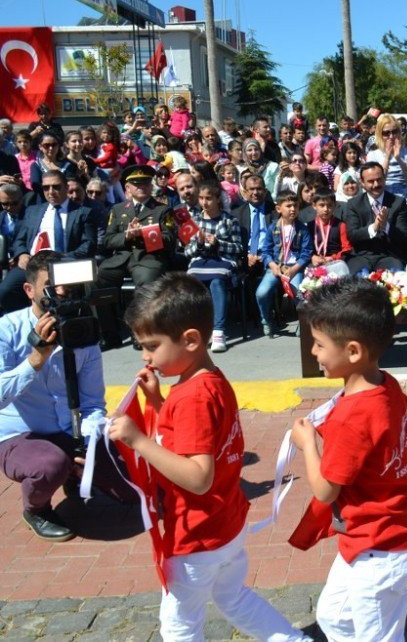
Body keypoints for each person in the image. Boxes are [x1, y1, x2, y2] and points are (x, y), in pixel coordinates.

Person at [108, 273, 310, 641]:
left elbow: (199, 476)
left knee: (179, 625)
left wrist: (138, 440)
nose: (144, 356)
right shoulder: (209, 380)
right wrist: (157, 404)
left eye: (151, 346)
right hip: (226, 524)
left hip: (197, 534)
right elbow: (194, 438)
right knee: (232, 597)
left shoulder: (192, 398)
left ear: (190, 340)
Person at [289, 278, 407, 640]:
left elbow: (326, 490)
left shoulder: (353, 416)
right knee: (333, 618)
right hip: (368, 539)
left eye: (318, 344)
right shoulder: (385, 384)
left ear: (353, 352)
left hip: (380, 543)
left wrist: (308, 444)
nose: (313, 352)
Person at [0, 251, 137, 541]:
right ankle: (36, 509)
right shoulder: (6, 330)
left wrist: (86, 444)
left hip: (70, 430)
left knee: (133, 487)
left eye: (68, 284)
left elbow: (92, 403)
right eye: (52, 284)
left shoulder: (83, 329)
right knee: (50, 464)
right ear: (29, 290)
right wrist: (35, 360)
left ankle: (74, 477)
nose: (62, 291)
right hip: (19, 435)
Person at [96, 165, 177, 349]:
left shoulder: (162, 210)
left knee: (146, 282)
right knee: (99, 279)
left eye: (145, 183)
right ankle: (110, 334)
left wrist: (143, 234)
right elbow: (108, 240)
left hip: (148, 258)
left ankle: (140, 332)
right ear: (128, 188)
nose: (141, 187)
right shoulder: (118, 210)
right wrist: (126, 236)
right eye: (136, 184)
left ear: (151, 186)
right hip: (122, 257)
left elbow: (170, 239)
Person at [2, 170, 97, 314]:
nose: (50, 191)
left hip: (65, 263)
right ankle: (31, 321)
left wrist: (61, 260)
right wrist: (22, 254)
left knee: (61, 299)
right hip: (33, 264)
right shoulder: (32, 211)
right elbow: (19, 240)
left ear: (66, 187)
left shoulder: (83, 212)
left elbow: (88, 246)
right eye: (46, 188)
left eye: (56, 187)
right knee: (5, 292)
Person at [185, 182, 244, 353]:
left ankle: (218, 332)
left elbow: (238, 248)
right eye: (201, 198)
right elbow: (187, 251)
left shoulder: (230, 220)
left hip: (223, 261)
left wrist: (218, 243)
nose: (204, 203)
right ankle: (197, 331)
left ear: (218, 199)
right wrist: (200, 243)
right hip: (200, 262)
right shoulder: (193, 222)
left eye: (209, 198)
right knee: (192, 283)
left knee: (217, 282)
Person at [256, 192, 312, 337]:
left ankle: (302, 322)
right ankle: (267, 320)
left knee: (300, 295)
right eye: (288, 206)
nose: (293, 209)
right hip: (276, 266)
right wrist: (272, 265)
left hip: (294, 268)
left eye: (295, 206)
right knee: (261, 293)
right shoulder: (273, 227)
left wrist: (294, 269)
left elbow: (306, 253)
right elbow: (266, 250)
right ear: (278, 208)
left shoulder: (302, 229)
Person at [342, 162, 407, 275]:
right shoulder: (354, 204)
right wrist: (374, 227)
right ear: (362, 182)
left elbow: (403, 236)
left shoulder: (398, 202)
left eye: (379, 179)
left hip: (390, 255)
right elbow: (352, 235)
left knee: (397, 281)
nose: (376, 184)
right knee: (354, 282)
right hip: (362, 255)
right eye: (370, 181)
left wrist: (386, 226)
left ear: (384, 179)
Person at [367, 115, 407, 213]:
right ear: (380, 134)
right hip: (383, 204)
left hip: (405, 203)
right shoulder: (373, 154)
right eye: (386, 133)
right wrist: (387, 157)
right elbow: (377, 181)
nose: (391, 136)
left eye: (395, 131)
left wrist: (398, 158)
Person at [308, 189, 351, 268]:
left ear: (335, 205)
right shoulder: (309, 226)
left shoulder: (341, 225)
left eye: (330, 205)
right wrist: (312, 257)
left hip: (335, 262)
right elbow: (305, 249)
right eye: (322, 205)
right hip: (315, 262)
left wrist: (333, 258)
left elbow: (346, 248)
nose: (326, 209)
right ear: (314, 206)